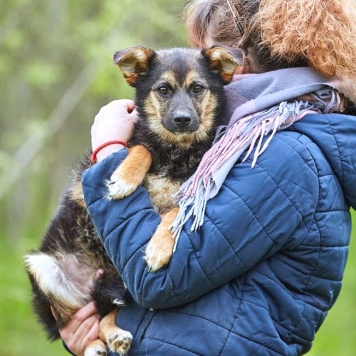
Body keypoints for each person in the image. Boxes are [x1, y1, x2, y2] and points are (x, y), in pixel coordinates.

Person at [59, 0, 356, 355]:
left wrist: (109, 151)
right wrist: (100, 330)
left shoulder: (284, 154)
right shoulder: (245, 140)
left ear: (235, 61)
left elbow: (158, 277)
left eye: (201, 52)